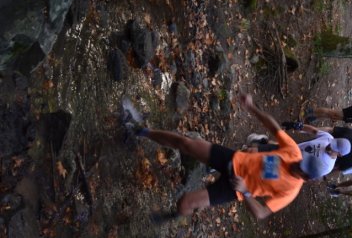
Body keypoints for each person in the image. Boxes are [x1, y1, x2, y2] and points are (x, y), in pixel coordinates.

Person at [124, 94, 307, 221]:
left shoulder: (290, 191)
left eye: (299, 169)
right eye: (300, 162)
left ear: (305, 177)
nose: (296, 164)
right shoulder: (294, 153)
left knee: (185, 202)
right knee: (186, 143)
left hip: (234, 188)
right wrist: (252, 107)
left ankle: (173, 216)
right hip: (233, 159)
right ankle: (141, 131)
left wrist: (245, 191)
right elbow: (274, 127)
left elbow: (261, 213)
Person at [244, 123, 351, 180]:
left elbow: (308, 174)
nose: (329, 145)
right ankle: (262, 143)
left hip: (289, 166)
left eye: (333, 148)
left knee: (261, 168)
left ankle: (246, 163)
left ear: (339, 154)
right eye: (332, 143)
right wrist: (298, 126)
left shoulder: (327, 167)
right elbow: (314, 131)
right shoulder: (328, 138)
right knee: (256, 151)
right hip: (290, 149)